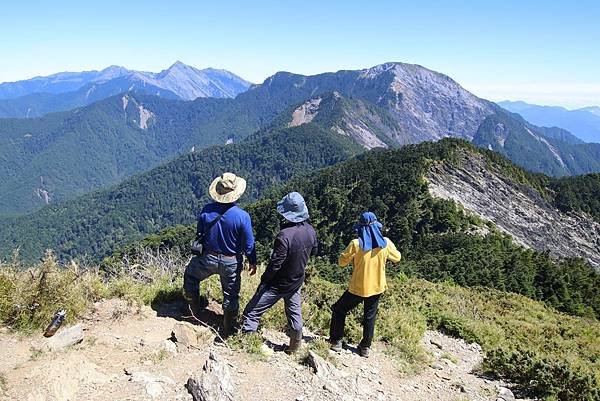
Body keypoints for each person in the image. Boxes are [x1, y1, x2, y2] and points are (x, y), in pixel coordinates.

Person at [241, 192, 317, 353]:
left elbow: (275, 264)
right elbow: (314, 251)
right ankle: (294, 349)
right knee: (295, 315)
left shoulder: (284, 236)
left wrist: (265, 281)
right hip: (296, 281)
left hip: (277, 284)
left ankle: (248, 347)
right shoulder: (311, 231)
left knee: (251, 313)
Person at [183, 172, 257, 337]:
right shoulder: (242, 217)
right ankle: (228, 330)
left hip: (207, 258)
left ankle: (193, 311)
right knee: (231, 295)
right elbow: (249, 244)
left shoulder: (206, 210)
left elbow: (200, 233)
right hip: (231, 261)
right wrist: (253, 261)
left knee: (191, 276)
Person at [329, 212, 401, 357]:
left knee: (339, 309)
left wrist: (348, 256)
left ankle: (336, 341)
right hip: (377, 287)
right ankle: (365, 347)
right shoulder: (386, 243)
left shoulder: (356, 244)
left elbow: (342, 263)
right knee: (370, 316)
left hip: (358, 287)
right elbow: (397, 257)